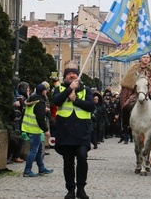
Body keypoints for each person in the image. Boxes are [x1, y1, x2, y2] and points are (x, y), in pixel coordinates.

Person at [52, 60, 95, 199]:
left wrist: (75, 100)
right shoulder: (60, 89)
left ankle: (81, 188)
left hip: (82, 131)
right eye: (69, 74)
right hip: (65, 131)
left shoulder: (86, 90)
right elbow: (57, 101)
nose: (71, 75)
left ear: (78, 76)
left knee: (82, 157)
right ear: (65, 76)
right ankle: (70, 189)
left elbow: (90, 106)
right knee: (68, 161)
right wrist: (70, 89)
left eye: (74, 74)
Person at [119, 53, 151, 136]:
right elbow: (129, 82)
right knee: (126, 106)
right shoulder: (134, 68)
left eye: (147, 57)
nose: (146, 59)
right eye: (144, 57)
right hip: (136, 93)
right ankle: (126, 126)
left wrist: (150, 91)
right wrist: (137, 90)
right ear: (140, 59)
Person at [22, 84, 53, 177]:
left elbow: (34, 111)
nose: (46, 92)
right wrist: (46, 130)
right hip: (35, 129)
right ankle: (27, 170)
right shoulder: (40, 102)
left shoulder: (32, 99)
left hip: (29, 127)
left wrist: (43, 110)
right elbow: (40, 118)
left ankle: (41, 168)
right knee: (34, 150)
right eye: (46, 90)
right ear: (43, 91)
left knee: (39, 150)